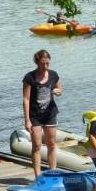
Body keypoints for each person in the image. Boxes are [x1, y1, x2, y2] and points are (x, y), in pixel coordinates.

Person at [22, 49, 62, 177]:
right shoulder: (29, 77)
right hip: (35, 116)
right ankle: (38, 175)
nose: (45, 66)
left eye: (47, 64)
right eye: (42, 63)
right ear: (37, 62)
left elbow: (59, 88)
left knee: (51, 143)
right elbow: (26, 99)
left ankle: (53, 172)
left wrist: (58, 91)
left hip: (50, 114)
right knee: (37, 145)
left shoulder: (54, 75)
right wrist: (27, 120)